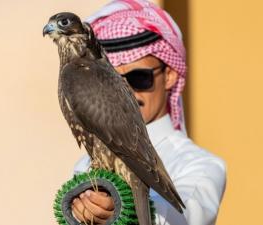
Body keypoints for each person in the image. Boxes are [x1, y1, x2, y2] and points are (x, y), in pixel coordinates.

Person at [70, 0, 226, 225]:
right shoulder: (84, 163)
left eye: (139, 78)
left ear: (170, 75)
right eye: (113, 83)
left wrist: (124, 207)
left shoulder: (199, 164)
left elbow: (187, 217)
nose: (127, 92)